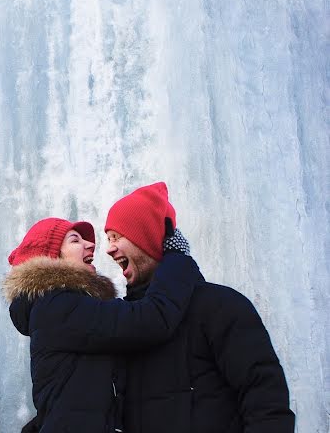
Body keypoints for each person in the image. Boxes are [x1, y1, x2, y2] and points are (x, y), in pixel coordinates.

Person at [105, 182, 294, 433]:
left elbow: (266, 403)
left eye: (116, 236)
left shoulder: (221, 307)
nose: (108, 249)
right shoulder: (127, 324)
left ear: (147, 236)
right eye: (107, 239)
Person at [4, 215, 202, 433]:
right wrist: (175, 258)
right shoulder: (58, 306)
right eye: (75, 240)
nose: (91, 244)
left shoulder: (59, 308)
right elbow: (151, 319)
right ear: (51, 258)